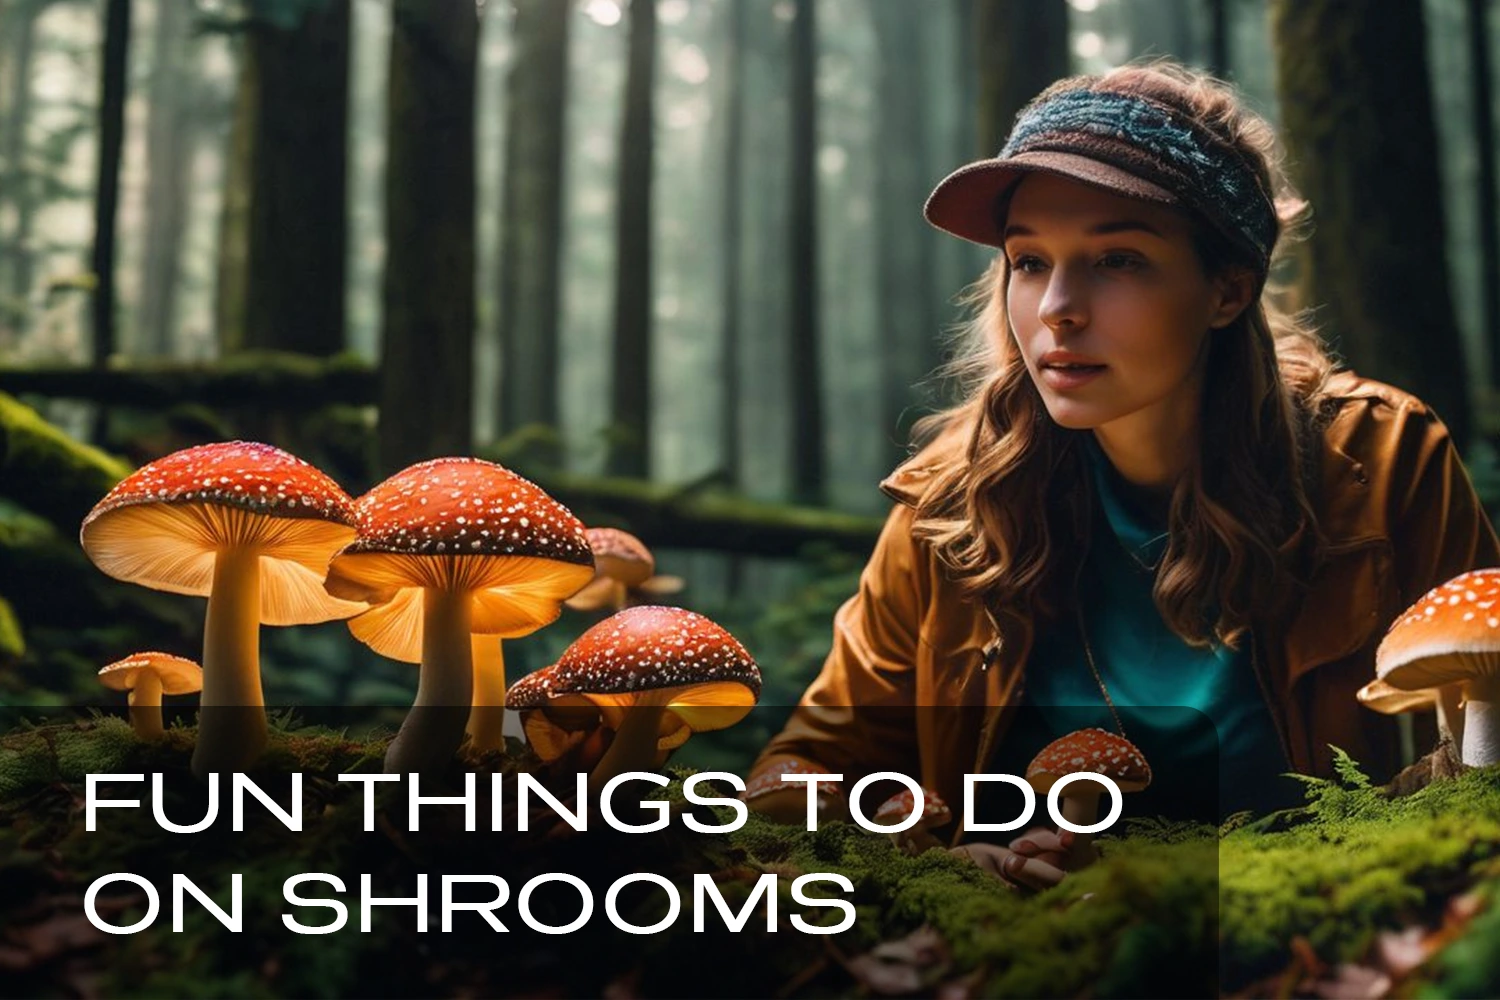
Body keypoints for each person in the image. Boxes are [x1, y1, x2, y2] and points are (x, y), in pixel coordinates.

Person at [746, 62, 1500, 892]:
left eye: (1119, 260)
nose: (1058, 307)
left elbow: (1480, 756)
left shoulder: (1384, 463)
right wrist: (923, 855)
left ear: (1228, 289)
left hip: (1307, 942)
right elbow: (809, 771)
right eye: (1029, 261)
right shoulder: (950, 507)